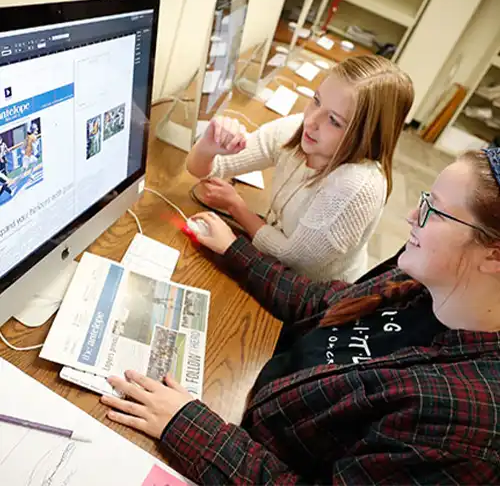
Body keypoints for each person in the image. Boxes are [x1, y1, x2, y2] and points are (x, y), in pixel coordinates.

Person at [102, 148, 500, 484]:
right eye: (424, 198)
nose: (412, 215)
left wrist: (188, 425)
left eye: (435, 211)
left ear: (494, 255)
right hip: (247, 404)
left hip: (234, 445)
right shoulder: (424, 281)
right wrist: (233, 251)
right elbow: (324, 304)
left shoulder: (464, 429)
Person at [186, 55, 414, 282]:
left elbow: (292, 261)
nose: (311, 120)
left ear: (367, 136)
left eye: (334, 120)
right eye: (316, 100)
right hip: (273, 258)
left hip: (306, 294)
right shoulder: (300, 129)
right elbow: (208, 168)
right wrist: (209, 146)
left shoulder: (357, 185)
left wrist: (236, 207)